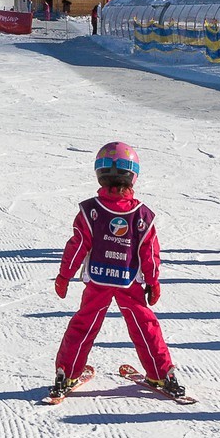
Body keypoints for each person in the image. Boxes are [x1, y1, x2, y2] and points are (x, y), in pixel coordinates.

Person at [47, 140, 186, 401]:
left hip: (98, 281)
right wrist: (153, 281)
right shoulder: (141, 215)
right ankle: (161, 372)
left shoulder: (91, 211)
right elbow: (150, 252)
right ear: (133, 175)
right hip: (128, 282)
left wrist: (65, 274)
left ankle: (67, 372)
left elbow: (77, 246)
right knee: (145, 324)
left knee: (84, 323)